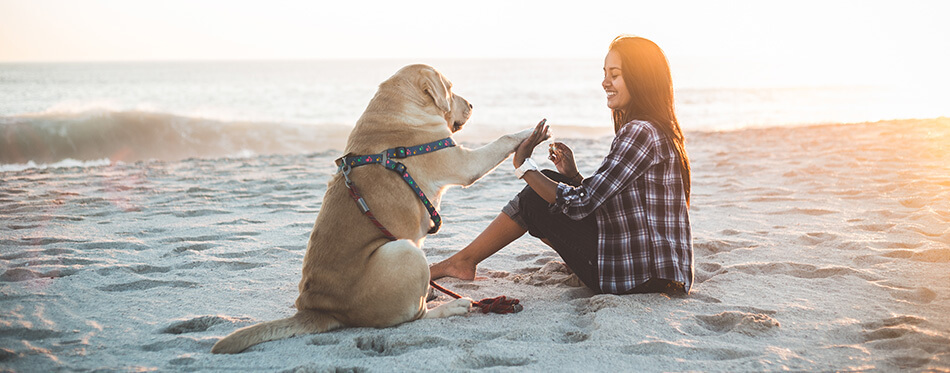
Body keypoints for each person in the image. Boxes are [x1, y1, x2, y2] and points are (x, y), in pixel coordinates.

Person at [429, 35, 693, 295]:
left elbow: (584, 203)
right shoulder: (658, 130)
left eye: (615, 74)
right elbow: (620, 203)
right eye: (604, 73)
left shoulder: (640, 131)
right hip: (659, 272)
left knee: (535, 197)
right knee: (555, 184)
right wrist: (574, 176)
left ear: (641, 78)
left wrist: (524, 166)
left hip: (634, 276)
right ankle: (465, 260)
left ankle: (462, 261)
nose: (605, 82)